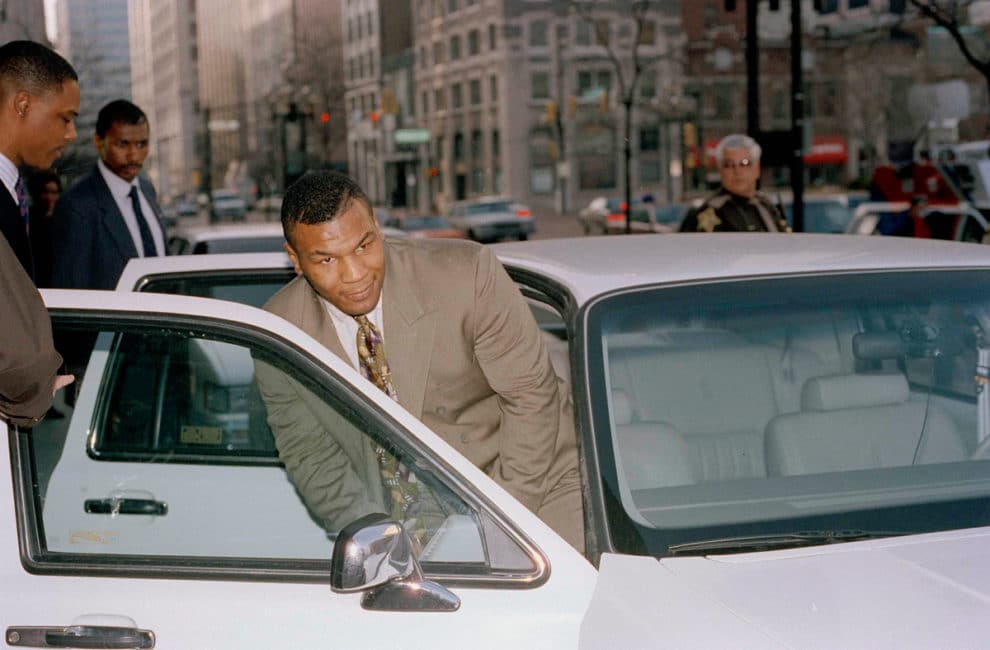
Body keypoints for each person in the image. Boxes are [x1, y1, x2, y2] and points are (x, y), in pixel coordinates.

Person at [253, 170, 584, 551]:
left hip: (533, 487)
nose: (356, 274)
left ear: (377, 226)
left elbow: (531, 397)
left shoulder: (466, 274)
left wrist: (499, 528)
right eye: (327, 260)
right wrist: (377, 540)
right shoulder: (280, 330)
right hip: (404, 526)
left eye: (364, 246)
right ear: (295, 259)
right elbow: (312, 457)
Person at [0, 40, 78, 427]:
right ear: (23, 105)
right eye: (65, 118)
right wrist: (33, 386)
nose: (71, 134)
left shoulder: (16, 193)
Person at [51, 99, 166, 291]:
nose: (133, 155)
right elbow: (70, 290)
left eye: (141, 144)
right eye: (122, 144)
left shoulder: (147, 191)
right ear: (99, 142)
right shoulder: (77, 206)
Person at [680, 133, 789, 233]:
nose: (737, 171)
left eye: (744, 163)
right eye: (729, 165)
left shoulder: (765, 205)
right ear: (720, 170)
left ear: (757, 169)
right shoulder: (710, 212)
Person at [27, 168, 60, 288]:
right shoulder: (27, 219)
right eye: (45, 192)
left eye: (54, 192)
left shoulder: (64, 219)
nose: (49, 197)